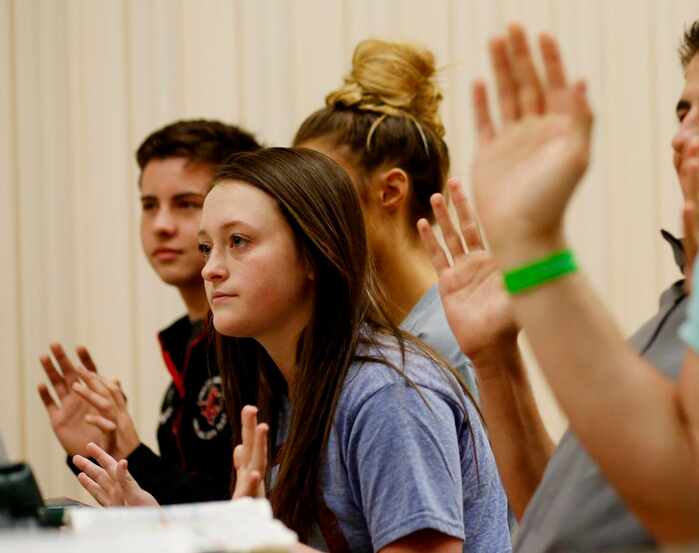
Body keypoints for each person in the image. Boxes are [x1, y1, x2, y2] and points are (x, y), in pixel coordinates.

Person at [418, 6, 699, 550]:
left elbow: (695, 511)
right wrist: (496, 360)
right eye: (684, 113)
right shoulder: (687, 301)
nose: (687, 138)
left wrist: (537, 247)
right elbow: (568, 521)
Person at [72, 147, 511, 553]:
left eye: (238, 242)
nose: (211, 268)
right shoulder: (277, 386)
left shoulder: (387, 393)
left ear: (313, 256)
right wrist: (160, 528)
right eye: (207, 248)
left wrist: (264, 545)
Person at [36, 119, 261, 504]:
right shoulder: (185, 341)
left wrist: (132, 453)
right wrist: (103, 453)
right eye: (149, 205)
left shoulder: (252, 339)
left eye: (186, 204)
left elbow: (229, 511)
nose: (161, 225)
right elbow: (169, 508)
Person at [292, 39, 477, 395]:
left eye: (320, 187)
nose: (301, 210)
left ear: (390, 191)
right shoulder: (346, 329)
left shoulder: (452, 339)